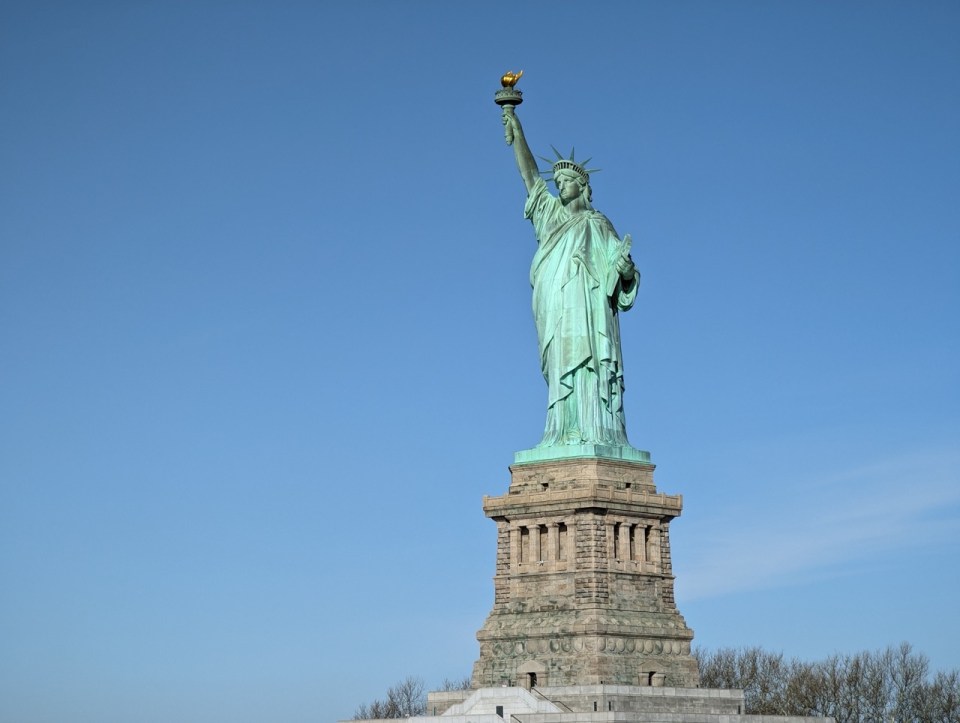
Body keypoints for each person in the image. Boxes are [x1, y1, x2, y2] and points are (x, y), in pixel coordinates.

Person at [502, 109, 640, 448]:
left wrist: (624, 271)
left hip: (591, 313)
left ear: (583, 187)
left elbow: (622, 271)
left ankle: (598, 431)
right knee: (564, 364)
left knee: (590, 366)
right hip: (559, 308)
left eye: (567, 182)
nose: (560, 186)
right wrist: (517, 131)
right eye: (558, 182)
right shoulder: (549, 215)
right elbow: (530, 177)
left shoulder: (598, 223)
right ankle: (563, 431)